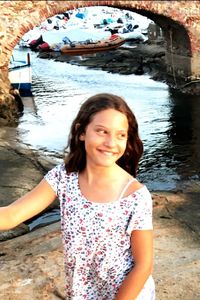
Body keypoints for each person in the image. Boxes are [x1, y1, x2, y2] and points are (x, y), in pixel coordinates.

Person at [0, 93, 155, 299]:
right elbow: (12, 215)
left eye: (121, 135)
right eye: (102, 131)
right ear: (81, 132)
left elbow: (144, 265)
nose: (111, 143)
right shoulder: (64, 177)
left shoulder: (135, 196)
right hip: (83, 293)